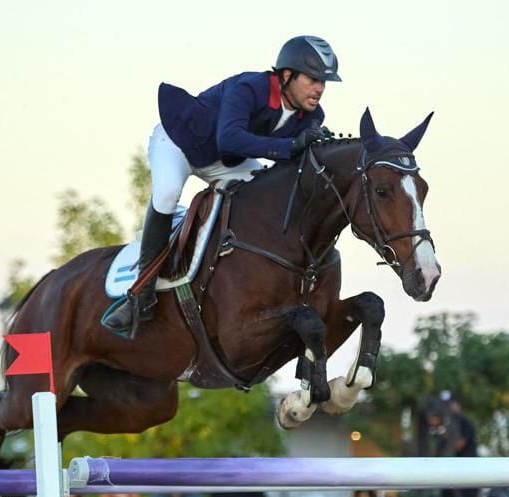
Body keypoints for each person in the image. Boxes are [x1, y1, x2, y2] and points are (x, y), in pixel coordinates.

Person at [102, 36, 342, 339]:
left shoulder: (313, 117)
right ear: (287, 75)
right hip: (179, 143)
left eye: (324, 82)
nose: (320, 88)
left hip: (224, 161)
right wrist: (291, 145)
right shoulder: (250, 87)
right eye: (313, 79)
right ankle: (141, 294)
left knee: (264, 197)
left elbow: (289, 166)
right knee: (166, 192)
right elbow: (229, 137)